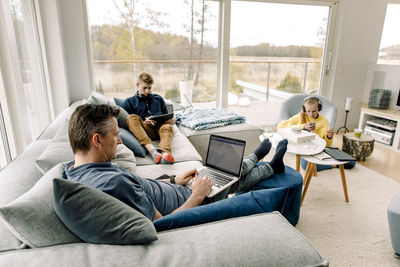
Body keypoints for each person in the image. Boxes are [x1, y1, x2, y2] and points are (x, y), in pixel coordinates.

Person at [63, 103, 288, 221]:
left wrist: (172, 179)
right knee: (233, 180)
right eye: (115, 133)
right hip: (192, 202)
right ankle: (267, 164)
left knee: (222, 173)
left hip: (177, 187)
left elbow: (140, 187)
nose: (120, 140)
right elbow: (162, 225)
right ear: (97, 140)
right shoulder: (111, 185)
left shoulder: (74, 169)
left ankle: (258, 159)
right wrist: (197, 196)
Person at [118, 72, 175, 164]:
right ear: (137, 85)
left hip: (160, 128)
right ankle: (153, 152)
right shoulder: (129, 102)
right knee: (131, 118)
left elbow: (166, 115)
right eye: (144, 88)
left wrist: (169, 121)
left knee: (168, 127)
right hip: (144, 130)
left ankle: (165, 155)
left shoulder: (159, 99)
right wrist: (144, 121)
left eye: (149, 88)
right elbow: (129, 124)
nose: (147, 91)